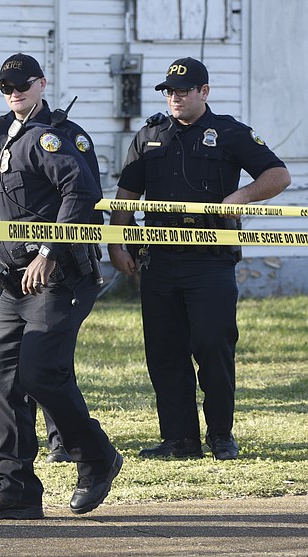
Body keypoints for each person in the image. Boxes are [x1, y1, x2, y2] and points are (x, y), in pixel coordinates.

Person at [0, 90, 122, 519]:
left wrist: (49, 251)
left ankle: (97, 456)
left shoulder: (36, 142)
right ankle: (16, 489)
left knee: (40, 372)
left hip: (57, 279)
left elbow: (81, 191)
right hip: (10, 284)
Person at [107, 57, 290, 461]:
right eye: (170, 91)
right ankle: (179, 440)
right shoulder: (150, 135)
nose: (175, 97)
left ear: (204, 92)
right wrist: (117, 244)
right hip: (159, 260)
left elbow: (278, 175)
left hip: (209, 260)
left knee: (212, 345)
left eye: (184, 90)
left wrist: (239, 197)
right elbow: (126, 196)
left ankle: (221, 435)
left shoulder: (229, 133)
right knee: (165, 351)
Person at [0, 52, 105, 464]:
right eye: (6, 87)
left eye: (22, 85)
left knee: (48, 365)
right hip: (13, 272)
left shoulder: (63, 135)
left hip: (61, 266)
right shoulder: (5, 136)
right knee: (14, 368)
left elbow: (82, 195)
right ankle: (19, 458)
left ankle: (66, 440)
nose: (14, 93)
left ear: (41, 84)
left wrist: (51, 250)